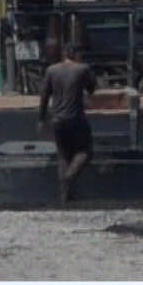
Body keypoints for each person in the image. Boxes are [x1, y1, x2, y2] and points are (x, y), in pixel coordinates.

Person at [37, 42, 98, 204]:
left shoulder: (51, 70)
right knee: (85, 151)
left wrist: (41, 119)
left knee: (63, 156)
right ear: (76, 55)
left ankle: (65, 196)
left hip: (57, 120)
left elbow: (44, 96)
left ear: (64, 54)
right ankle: (69, 176)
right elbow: (92, 88)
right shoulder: (82, 69)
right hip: (76, 119)